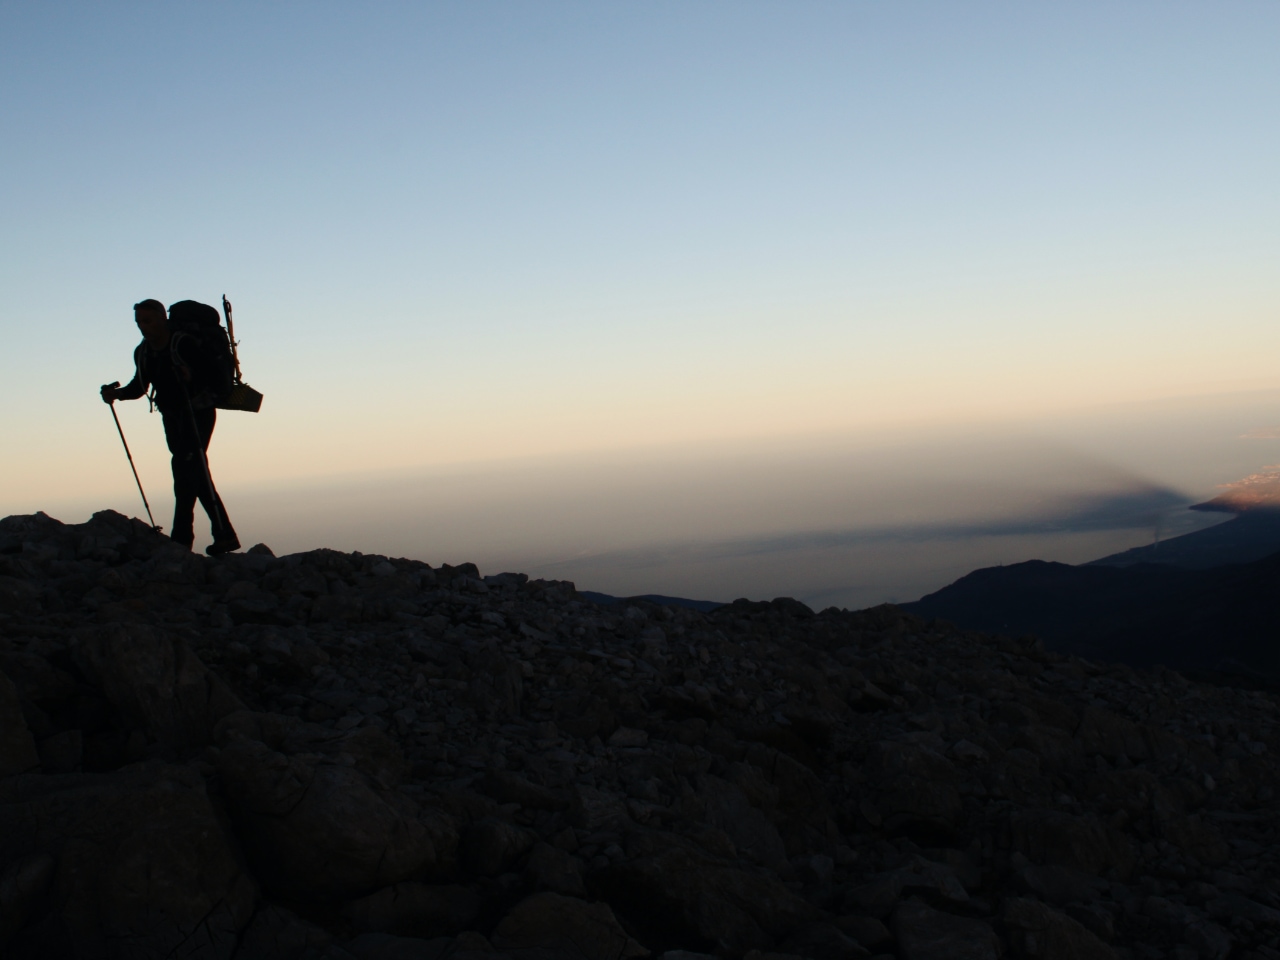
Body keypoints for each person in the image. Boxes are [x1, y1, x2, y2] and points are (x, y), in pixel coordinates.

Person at [101, 299, 240, 555]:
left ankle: (182, 540)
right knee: (194, 474)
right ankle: (223, 535)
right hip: (173, 417)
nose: (143, 327)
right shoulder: (143, 351)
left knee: (186, 473)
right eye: (139, 323)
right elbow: (139, 386)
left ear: (162, 318)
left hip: (197, 412)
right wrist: (116, 394)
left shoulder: (182, 343)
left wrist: (190, 376)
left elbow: (210, 376)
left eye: (147, 321)